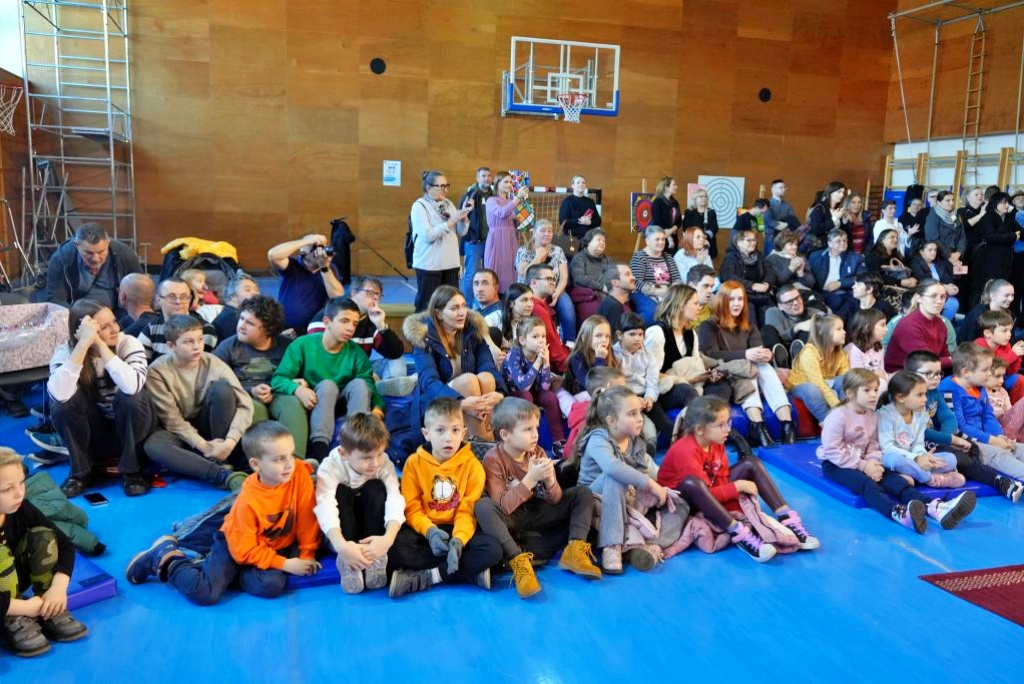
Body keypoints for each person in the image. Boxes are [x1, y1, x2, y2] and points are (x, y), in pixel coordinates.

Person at [125, 421, 321, 605]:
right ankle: (166, 557)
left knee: (270, 586)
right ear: (255, 464)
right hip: (236, 545)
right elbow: (244, 550)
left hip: (269, 545)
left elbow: (307, 518)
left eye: (290, 455)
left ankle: (219, 572)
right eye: (279, 459)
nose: (289, 464)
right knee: (205, 593)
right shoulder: (248, 501)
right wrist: (285, 564)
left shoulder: (299, 473)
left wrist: (307, 554)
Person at [659, 396, 820, 562]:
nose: (727, 429)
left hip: (707, 492)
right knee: (693, 483)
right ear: (699, 429)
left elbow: (721, 479)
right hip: (683, 503)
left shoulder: (716, 442)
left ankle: (786, 517)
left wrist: (737, 506)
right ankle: (738, 533)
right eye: (720, 425)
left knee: (751, 463)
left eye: (728, 423)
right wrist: (737, 487)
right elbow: (703, 493)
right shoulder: (686, 451)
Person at [817, 370, 975, 534]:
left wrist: (873, 463)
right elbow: (833, 450)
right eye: (867, 390)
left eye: (875, 389)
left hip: (866, 462)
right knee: (866, 484)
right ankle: (898, 512)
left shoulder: (872, 416)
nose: (873, 395)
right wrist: (864, 466)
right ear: (850, 393)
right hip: (836, 464)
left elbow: (873, 445)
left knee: (895, 481)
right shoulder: (838, 417)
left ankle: (934, 507)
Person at [473, 398, 602, 599]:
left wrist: (550, 481)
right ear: (505, 435)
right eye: (527, 429)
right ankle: (518, 560)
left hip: (534, 512)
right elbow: (503, 505)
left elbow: (555, 500)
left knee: (582, 494)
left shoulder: (537, 452)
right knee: (483, 507)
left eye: (536, 427)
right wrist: (531, 479)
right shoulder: (493, 459)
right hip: (510, 518)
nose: (535, 434)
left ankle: (574, 549)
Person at [386, 398, 502, 598]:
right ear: (427, 434)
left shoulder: (473, 466)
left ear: (464, 433)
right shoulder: (414, 463)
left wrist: (458, 541)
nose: (449, 438)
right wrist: (430, 532)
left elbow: (467, 510)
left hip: (459, 529)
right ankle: (468, 573)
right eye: (440, 430)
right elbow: (412, 508)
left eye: (455, 430)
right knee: (395, 550)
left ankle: (430, 577)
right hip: (426, 530)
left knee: (493, 550)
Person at [48, 300, 154, 498]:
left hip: (131, 427)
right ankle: (81, 472)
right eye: (104, 327)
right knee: (62, 405)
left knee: (132, 397)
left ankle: (132, 470)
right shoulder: (66, 351)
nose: (116, 329)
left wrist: (100, 344)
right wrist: (83, 345)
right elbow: (59, 395)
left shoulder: (129, 343)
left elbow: (132, 386)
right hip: (95, 431)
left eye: (114, 321)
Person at [144, 315, 252, 490]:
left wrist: (230, 441)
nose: (197, 346)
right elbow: (172, 420)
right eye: (188, 342)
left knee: (223, 390)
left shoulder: (213, 362)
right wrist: (203, 446)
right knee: (153, 445)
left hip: (212, 430)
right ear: (171, 346)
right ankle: (221, 474)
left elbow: (245, 403)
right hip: (178, 432)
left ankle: (222, 457)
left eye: (200, 339)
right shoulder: (157, 371)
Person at [270, 297, 385, 462]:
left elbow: (369, 386)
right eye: (344, 321)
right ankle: (321, 454)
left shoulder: (356, 353)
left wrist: (378, 409)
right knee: (327, 386)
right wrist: (298, 389)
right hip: (316, 401)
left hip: (344, 401)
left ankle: (357, 446)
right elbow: (278, 379)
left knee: (360, 384)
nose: (350, 328)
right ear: (327, 322)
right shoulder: (302, 344)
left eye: (354, 323)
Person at [571, 386, 669, 573]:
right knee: (615, 477)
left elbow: (640, 473)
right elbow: (613, 468)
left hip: (622, 501)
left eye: (640, 411)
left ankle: (646, 544)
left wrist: (650, 495)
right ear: (612, 421)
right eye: (632, 414)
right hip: (593, 500)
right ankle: (612, 546)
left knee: (671, 500)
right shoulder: (598, 439)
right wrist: (649, 483)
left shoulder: (635, 441)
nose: (640, 418)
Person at [0, 448, 87, 657]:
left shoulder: (20, 506)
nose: (19, 493)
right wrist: (21, 608)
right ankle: (13, 618)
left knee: (44, 535)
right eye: (8, 489)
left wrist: (57, 588)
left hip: (14, 580)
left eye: (21, 483)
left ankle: (49, 608)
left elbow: (64, 543)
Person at [905, 351, 1023, 504]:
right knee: (962, 459)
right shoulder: (912, 396)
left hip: (942, 441)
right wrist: (950, 439)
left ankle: (999, 481)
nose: (936, 377)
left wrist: (997, 435)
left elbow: (949, 418)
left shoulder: (934, 392)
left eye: (938, 373)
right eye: (929, 373)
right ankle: (997, 480)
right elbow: (922, 432)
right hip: (916, 446)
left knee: (1016, 448)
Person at [315, 413, 404, 594]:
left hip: (370, 527)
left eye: (379, 454)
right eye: (366, 458)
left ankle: (375, 555)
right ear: (344, 454)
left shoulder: (383, 463)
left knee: (376, 487)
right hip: (344, 530)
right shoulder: (330, 466)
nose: (375, 463)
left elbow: (395, 497)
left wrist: (387, 539)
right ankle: (349, 560)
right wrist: (342, 546)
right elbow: (325, 506)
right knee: (341, 491)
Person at [699, 281, 797, 446]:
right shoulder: (708, 325)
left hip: (752, 372)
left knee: (763, 366)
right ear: (722, 300)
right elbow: (711, 354)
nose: (737, 303)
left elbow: (757, 351)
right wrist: (746, 354)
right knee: (748, 367)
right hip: (725, 376)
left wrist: (766, 355)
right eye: (732, 299)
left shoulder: (749, 326)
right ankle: (758, 426)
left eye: (740, 299)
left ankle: (787, 425)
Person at [404, 286, 506, 440]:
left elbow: (488, 366)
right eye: (454, 308)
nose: (462, 313)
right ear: (438, 313)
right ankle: (485, 441)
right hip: (438, 402)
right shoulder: (425, 338)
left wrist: (500, 393)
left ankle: (478, 440)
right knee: (468, 381)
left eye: (464, 306)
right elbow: (429, 382)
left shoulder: (472, 331)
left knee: (487, 377)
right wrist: (460, 402)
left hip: (473, 399)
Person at [213, 295, 308, 456]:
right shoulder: (228, 346)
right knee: (254, 409)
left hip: (278, 392)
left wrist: (298, 382)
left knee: (292, 403)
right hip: (246, 396)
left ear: (267, 329)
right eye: (242, 318)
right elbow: (215, 382)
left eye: (250, 323)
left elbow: (299, 374)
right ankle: (262, 461)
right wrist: (251, 391)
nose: (241, 326)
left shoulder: (286, 345)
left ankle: (296, 460)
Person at [939, 343, 1024, 479]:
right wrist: (991, 440)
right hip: (965, 443)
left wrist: (998, 435)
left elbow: (987, 416)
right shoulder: (949, 390)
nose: (989, 373)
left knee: (1017, 448)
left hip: (985, 437)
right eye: (985, 370)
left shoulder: (978, 386)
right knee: (998, 454)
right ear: (966, 372)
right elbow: (958, 428)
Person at [878, 371, 963, 487]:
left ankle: (912, 475)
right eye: (920, 395)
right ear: (901, 398)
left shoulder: (921, 414)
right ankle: (931, 479)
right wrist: (916, 458)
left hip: (913, 459)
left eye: (925, 394)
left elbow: (918, 443)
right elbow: (887, 448)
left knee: (951, 459)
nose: (925, 399)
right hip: (894, 458)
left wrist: (924, 457)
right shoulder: (885, 415)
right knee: (894, 460)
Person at [409, 170, 473, 312]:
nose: (445, 190)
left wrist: (464, 218)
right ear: (428, 188)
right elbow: (428, 235)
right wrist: (451, 222)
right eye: (441, 186)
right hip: (429, 265)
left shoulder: (448, 203)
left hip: (450, 264)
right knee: (427, 307)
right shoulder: (419, 206)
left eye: (446, 186)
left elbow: (461, 232)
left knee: (450, 305)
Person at [45, 223, 143, 316]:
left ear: (108, 243)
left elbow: (140, 292)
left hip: (118, 314)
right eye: (88, 253)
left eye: (101, 252)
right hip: (77, 315)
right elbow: (56, 299)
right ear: (76, 245)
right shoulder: (61, 259)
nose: (95, 259)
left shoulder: (124, 255)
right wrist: (78, 320)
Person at [502, 316, 565, 447]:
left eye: (543, 336)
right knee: (526, 396)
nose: (541, 340)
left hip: (533, 392)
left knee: (549, 396)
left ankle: (558, 441)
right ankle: (530, 440)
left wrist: (546, 364)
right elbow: (523, 387)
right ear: (522, 340)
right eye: (535, 337)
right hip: (513, 395)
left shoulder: (539, 355)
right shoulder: (514, 355)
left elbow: (544, 388)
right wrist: (538, 362)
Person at [126, 277, 218, 362]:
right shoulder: (151, 329)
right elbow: (140, 364)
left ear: (190, 299)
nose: (178, 302)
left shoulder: (205, 329)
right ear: (158, 300)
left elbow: (204, 366)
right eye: (171, 296)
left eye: (183, 297)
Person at [267, 232, 345, 331]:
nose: (319, 252)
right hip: (284, 329)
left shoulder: (329, 269)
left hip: (311, 330)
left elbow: (338, 297)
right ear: (303, 253)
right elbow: (273, 255)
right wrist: (308, 241)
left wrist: (324, 268)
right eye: (314, 248)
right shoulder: (293, 265)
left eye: (322, 247)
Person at [614, 312, 668, 455]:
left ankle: (680, 447)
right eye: (632, 334)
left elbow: (652, 379)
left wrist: (650, 397)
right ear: (619, 335)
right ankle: (646, 454)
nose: (637, 338)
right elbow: (617, 385)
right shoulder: (614, 355)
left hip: (645, 396)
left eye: (640, 334)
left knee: (663, 420)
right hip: (626, 399)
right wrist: (633, 399)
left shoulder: (647, 354)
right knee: (647, 431)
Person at [515, 219, 575, 340]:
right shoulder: (524, 250)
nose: (546, 234)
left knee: (568, 311)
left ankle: (570, 342)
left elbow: (564, 277)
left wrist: (557, 293)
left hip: (554, 290)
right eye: (542, 231)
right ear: (534, 233)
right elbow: (523, 274)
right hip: (530, 292)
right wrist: (538, 257)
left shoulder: (557, 251)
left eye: (550, 231)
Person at [785, 314, 850, 421]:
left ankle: (849, 416)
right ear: (822, 332)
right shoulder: (809, 352)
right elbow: (818, 383)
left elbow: (845, 380)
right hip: (801, 385)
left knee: (846, 379)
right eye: (839, 329)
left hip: (827, 382)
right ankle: (828, 421)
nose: (844, 332)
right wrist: (838, 407)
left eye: (843, 328)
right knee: (812, 389)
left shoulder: (842, 354)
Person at [884, 280, 952, 373]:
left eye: (943, 297)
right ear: (919, 298)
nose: (939, 301)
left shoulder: (941, 324)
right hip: (902, 376)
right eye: (933, 296)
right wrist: (955, 360)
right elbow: (926, 362)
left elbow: (944, 356)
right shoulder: (909, 325)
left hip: (927, 373)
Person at [564, 366, 626, 460]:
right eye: (621, 389)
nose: (626, 392)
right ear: (607, 389)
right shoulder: (596, 416)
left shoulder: (600, 410)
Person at [972, 192, 1019, 309]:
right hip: (989, 259)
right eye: (1003, 203)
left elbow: (1021, 232)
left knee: (1002, 288)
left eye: (1008, 203)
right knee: (989, 288)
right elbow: (990, 237)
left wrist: (1012, 235)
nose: (1007, 205)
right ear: (995, 203)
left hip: (1005, 260)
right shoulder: (988, 217)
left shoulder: (1008, 218)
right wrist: (1012, 236)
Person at [485, 171, 529, 292]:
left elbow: (510, 218)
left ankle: (509, 295)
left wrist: (517, 221)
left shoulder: (511, 201)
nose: (509, 184)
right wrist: (518, 198)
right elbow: (502, 213)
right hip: (497, 238)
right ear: (497, 183)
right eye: (505, 182)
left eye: (510, 182)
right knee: (496, 268)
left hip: (511, 238)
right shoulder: (491, 200)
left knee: (510, 268)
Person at [629, 225, 681, 325]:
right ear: (647, 241)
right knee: (653, 312)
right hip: (643, 294)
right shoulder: (639, 257)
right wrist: (656, 292)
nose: (661, 242)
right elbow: (636, 282)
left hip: (667, 293)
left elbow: (676, 279)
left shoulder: (668, 257)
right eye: (657, 239)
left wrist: (671, 292)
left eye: (663, 239)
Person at [719, 228, 772, 326]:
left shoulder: (759, 255)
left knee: (770, 312)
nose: (753, 243)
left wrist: (767, 283)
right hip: (742, 294)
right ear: (738, 242)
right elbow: (729, 277)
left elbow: (770, 272)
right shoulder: (731, 257)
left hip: (761, 293)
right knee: (749, 312)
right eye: (749, 240)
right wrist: (752, 286)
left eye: (754, 240)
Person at [525, 264, 571, 374]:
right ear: (534, 283)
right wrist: (569, 365)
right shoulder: (537, 308)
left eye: (554, 279)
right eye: (548, 279)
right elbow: (554, 349)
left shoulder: (542, 305)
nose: (553, 283)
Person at [458, 167, 494, 303]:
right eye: (483, 176)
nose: (487, 178)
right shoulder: (469, 195)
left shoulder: (494, 196)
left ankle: (487, 302)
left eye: (489, 176)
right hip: (474, 242)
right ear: (477, 178)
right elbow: (460, 217)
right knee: (471, 274)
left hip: (491, 242)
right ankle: (466, 304)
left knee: (490, 274)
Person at [808, 229, 861, 317]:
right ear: (830, 243)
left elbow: (861, 277)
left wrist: (840, 283)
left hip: (845, 292)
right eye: (838, 241)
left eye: (845, 240)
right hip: (822, 292)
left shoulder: (855, 258)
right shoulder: (816, 256)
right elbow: (810, 277)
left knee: (846, 303)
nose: (843, 243)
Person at [975, 309, 1024, 403]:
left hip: (1001, 377)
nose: (1009, 335)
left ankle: (1015, 408)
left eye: (1010, 331)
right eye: (1004, 331)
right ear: (988, 333)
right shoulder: (979, 344)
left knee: (1020, 379)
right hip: (984, 379)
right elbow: (990, 368)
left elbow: (1011, 371)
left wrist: (1018, 355)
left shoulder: (1006, 346)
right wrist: (1013, 354)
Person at [762, 285, 814, 369]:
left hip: (805, 357)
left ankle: (799, 363)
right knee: (767, 329)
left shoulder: (813, 312)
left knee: (807, 331)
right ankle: (779, 363)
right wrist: (797, 328)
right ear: (780, 306)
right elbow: (781, 336)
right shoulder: (773, 312)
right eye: (790, 302)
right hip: (783, 351)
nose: (796, 303)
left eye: (798, 298)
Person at [565, 315, 617, 396]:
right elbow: (591, 386)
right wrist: (600, 359)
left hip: (604, 393)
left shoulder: (609, 352)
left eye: (607, 336)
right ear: (584, 338)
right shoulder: (576, 358)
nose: (604, 340)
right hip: (583, 395)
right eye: (598, 335)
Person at [909, 240, 959, 321]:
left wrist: (951, 286)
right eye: (930, 250)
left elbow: (947, 277)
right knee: (953, 304)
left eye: (935, 250)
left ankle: (942, 324)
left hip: (941, 293)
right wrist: (945, 287)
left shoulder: (938, 263)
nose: (933, 252)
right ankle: (942, 324)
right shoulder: (915, 263)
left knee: (954, 300)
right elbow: (923, 280)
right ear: (921, 252)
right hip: (926, 295)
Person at [568, 228, 612, 321]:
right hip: (587, 295)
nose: (602, 242)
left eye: (604, 241)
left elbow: (613, 276)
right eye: (598, 240)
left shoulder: (607, 259)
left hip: (606, 294)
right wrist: (601, 286)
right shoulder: (579, 258)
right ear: (588, 242)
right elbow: (579, 278)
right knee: (596, 316)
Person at [844, 308, 889, 395]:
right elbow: (857, 379)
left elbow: (882, 372)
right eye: (882, 325)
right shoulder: (854, 350)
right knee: (881, 384)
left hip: (876, 384)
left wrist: (882, 376)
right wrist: (875, 373)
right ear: (867, 327)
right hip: (860, 391)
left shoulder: (879, 347)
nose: (886, 329)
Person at [959, 278, 1016, 343]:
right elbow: (969, 340)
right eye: (1006, 295)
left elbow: (1011, 340)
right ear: (992, 295)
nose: (1011, 299)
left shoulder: (1009, 315)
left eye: (1012, 295)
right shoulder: (978, 313)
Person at [211, 271, 260, 342]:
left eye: (256, 290)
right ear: (233, 296)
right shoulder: (231, 319)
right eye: (247, 290)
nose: (255, 293)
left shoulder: (230, 313)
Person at [764, 229, 815, 294]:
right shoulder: (772, 259)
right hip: (785, 293)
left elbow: (812, 283)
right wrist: (791, 268)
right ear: (782, 245)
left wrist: (800, 273)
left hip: (804, 291)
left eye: (796, 244)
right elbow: (777, 282)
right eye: (791, 244)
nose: (795, 247)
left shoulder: (800, 256)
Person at [924, 190, 966, 266]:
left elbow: (962, 237)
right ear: (939, 202)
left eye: (953, 200)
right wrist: (949, 256)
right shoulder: (933, 215)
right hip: (940, 257)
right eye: (948, 200)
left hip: (956, 256)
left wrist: (958, 252)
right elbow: (932, 239)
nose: (952, 203)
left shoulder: (956, 214)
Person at [987, 358, 1024, 443]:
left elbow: (1010, 412)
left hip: (1009, 425)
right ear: (985, 375)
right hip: (996, 428)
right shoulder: (980, 393)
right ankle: (1009, 438)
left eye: (1003, 376)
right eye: (997, 376)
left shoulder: (1002, 391)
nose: (1002, 380)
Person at [558, 175, 601, 247]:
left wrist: (589, 222)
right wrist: (580, 220)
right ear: (572, 185)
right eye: (578, 182)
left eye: (583, 183)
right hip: (571, 240)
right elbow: (563, 221)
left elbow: (598, 221)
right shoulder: (567, 201)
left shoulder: (590, 202)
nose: (581, 184)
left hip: (588, 240)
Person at [596, 263, 636, 334]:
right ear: (615, 282)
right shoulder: (613, 306)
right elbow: (615, 339)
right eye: (627, 274)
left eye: (632, 274)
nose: (633, 278)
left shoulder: (612, 302)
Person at [808, 181, 851, 246]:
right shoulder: (820, 208)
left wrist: (845, 220)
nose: (842, 195)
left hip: (836, 246)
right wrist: (835, 218)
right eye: (839, 192)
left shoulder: (837, 210)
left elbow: (842, 231)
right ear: (830, 192)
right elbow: (816, 230)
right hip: (822, 246)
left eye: (843, 192)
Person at [683, 186, 719, 259]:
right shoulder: (689, 212)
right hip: (693, 244)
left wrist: (704, 237)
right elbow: (686, 228)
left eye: (705, 196)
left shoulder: (711, 212)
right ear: (695, 199)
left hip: (708, 244)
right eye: (701, 196)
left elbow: (714, 227)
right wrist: (699, 238)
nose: (704, 198)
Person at [765, 179, 800, 254]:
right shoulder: (767, 204)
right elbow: (767, 221)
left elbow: (792, 221)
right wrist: (784, 225)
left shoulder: (788, 205)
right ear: (773, 189)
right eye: (781, 187)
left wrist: (785, 225)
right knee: (770, 259)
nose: (784, 189)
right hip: (771, 238)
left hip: (785, 239)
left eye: (785, 187)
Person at [650, 176, 683, 252]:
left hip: (674, 237)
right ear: (666, 187)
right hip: (660, 238)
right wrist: (668, 236)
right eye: (674, 185)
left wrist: (671, 230)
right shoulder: (657, 202)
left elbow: (679, 220)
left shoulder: (675, 202)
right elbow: (657, 221)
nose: (676, 187)